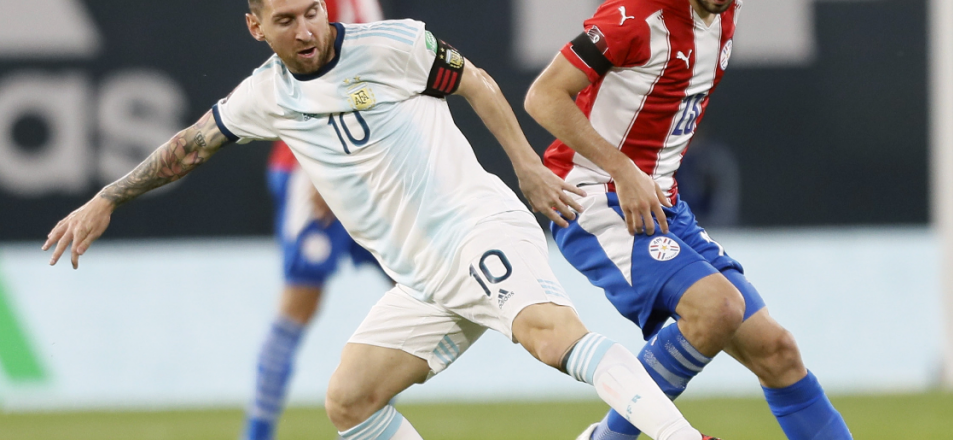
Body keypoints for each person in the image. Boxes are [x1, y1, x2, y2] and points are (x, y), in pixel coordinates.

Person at [43, 1, 721, 439]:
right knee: (350, 399)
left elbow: (479, 82)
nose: (305, 30)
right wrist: (108, 198)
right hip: (424, 278)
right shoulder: (263, 96)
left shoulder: (393, 44)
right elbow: (189, 146)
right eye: (286, 20)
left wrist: (526, 166)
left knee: (552, 338)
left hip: (477, 228)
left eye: (312, 11)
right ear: (256, 27)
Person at [524, 0, 855, 439]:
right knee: (717, 308)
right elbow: (543, 96)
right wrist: (623, 169)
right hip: (598, 199)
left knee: (777, 352)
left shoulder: (725, 14)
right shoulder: (635, 17)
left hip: (663, 204)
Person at [244, 1, 388, 439]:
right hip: (312, 171)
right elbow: (317, 86)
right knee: (298, 303)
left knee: (420, 293)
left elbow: (376, 81)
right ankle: (257, 434)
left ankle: (377, 419)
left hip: (366, 173)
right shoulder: (309, 8)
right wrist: (324, 171)